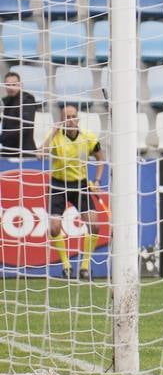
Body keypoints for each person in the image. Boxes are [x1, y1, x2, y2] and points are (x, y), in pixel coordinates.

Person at [39, 104, 107, 281]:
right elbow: (41, 154)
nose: (70, 120)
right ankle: (67, 266)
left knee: (95, 225)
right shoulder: (56, 137)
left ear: (78, 118)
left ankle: (84, 267)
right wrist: (53, 131)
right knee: (54, 227)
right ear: (62, 120)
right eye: (66, 117)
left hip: (80, 185)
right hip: (58, 185)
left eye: (73, 116)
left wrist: (98, 180)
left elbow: (101, 157)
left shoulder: (88, 137)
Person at [0, 71, 38, 157]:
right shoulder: (5, 101)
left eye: (14, 84)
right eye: (8, 85)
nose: (11, 87)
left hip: (24, 152)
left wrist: (2, 138)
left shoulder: (27, 99)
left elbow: (26, 126)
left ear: (20, 85)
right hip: (8, 151)